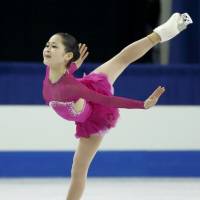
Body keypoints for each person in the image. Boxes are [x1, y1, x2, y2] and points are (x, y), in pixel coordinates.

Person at [42, 13, 192, 200]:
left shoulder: (72, 88)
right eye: (47, 45)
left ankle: (161, 33)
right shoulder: (51, 70)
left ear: (67, 55)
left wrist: (142, 105)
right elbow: (61, 74)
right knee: (78, 171)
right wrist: (71, 68)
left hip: (96, 115)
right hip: (83, 102)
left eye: (54, 46)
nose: (47, 49)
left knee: (121, 59)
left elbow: (107, 101)